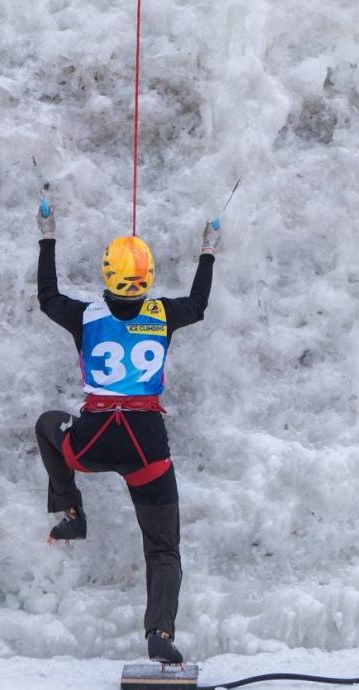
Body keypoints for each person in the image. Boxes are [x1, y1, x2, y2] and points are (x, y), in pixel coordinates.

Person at [33, 205, 221, 664]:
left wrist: (48, 235)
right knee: (163, 548)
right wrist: (207, 250)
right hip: (146, 447)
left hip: (92, 440)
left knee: (47, 424)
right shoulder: (164, 313)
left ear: (107, 273)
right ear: (148, 275)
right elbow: (198, 304)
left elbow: (48, 297)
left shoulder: (84, 315)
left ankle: (71, 511)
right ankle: (160, 633)